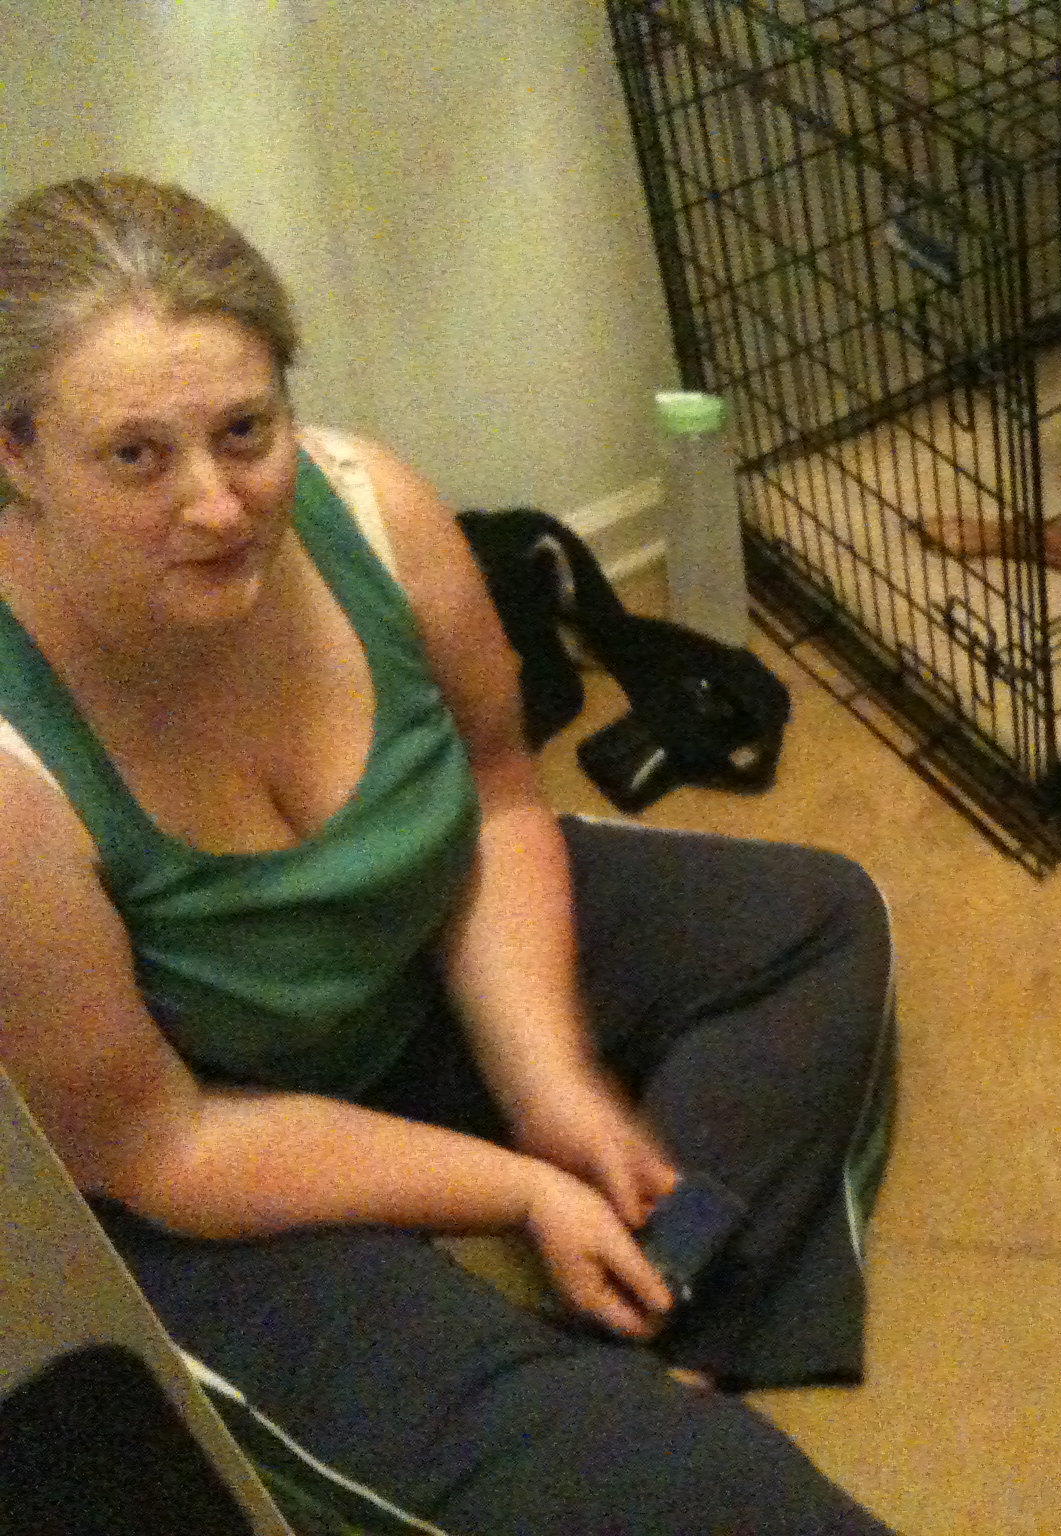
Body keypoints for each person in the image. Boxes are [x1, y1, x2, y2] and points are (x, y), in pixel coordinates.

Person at [0, 173, 896, 1535]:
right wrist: (520, 1187)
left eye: (245, 431)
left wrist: (552, 1086)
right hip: (208, 1156)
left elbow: (495, 795)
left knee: (818, 922)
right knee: (732, 1504)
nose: (218, 504)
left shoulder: (372, 504)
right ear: (15, 454)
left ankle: (645, 1349)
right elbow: (155, 1144)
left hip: (413, 977)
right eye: (135, 457)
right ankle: (631, 1399)